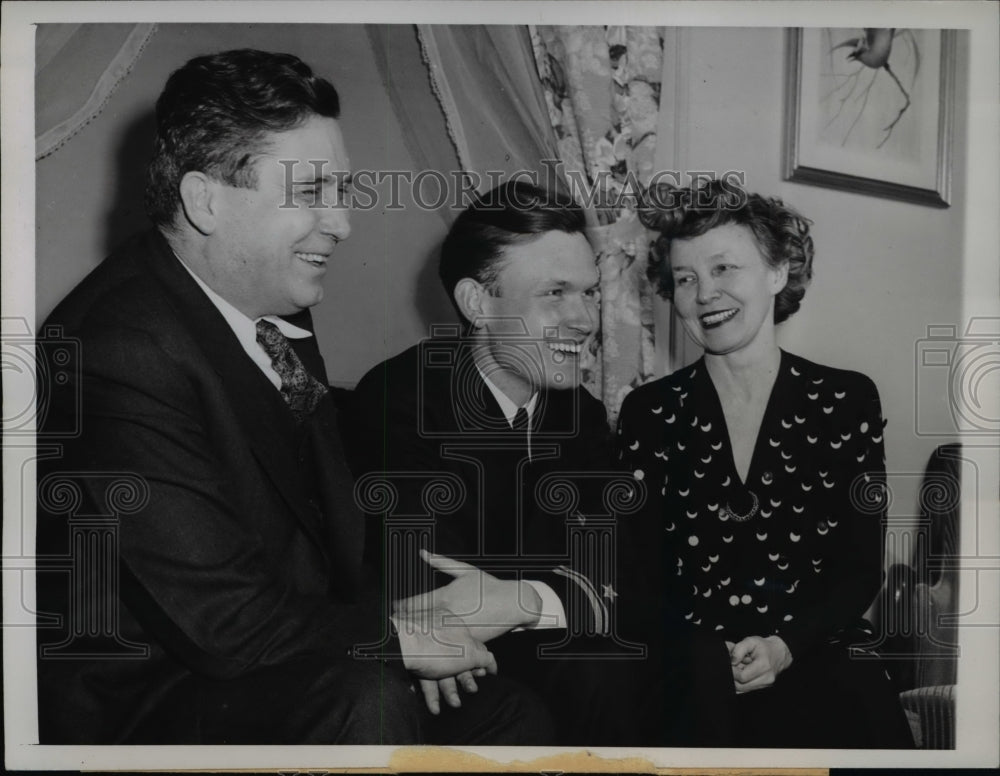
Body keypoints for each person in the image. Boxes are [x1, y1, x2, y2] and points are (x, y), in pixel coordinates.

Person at [35, 49, 551, 745]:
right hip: (149, 695)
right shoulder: (116, 350)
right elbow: (224, 621)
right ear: (205, 200)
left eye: (342, 191)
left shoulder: (274, 303)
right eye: (311, 193)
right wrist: (403, 637)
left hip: (276, 652)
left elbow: (325, 536)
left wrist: (415, 621)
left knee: (511, 715)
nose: (341, 223)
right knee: (367, 699)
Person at [345, 181, 650, 744]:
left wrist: (520, 598)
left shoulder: (577, 414)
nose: (584, 320)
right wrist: (542, 589)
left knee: (663, 658)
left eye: (588, 293)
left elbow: (624, 569)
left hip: (538, 641)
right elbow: (427, 585)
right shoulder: (399, 399)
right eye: (555, 293)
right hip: (434, 664)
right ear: (478, 303)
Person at [616, 180, 914, 747]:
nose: (705, 293)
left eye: (725, 268)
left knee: (856, 695)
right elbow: (638, 579)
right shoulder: (648, 412)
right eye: (686, 279)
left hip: (814, 649)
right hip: (692, 661)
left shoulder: (847, 400)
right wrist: (704, 653)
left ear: (778, 273)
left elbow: (859, 569)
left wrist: (784, 646)